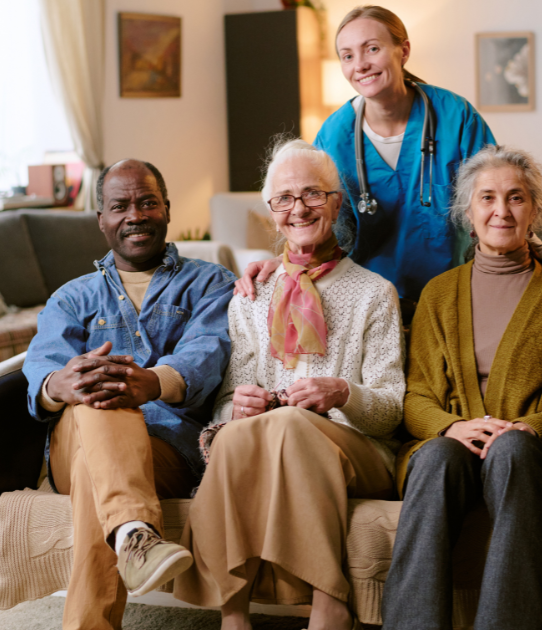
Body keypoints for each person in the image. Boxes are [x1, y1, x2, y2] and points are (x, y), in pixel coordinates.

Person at [173, 140, 404, 630]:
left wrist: (344, 393)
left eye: (313, 195)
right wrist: (238, 407)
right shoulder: (250, 296)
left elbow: (390, 411)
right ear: (270, 211)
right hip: (270, 442)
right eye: (284, 198)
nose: (298, 208)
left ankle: (328, 601)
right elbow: (224, 403)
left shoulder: (375, 293)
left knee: (293, 425)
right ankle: (234, 615)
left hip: (359, 450)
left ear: (337, 202)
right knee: (240, 433)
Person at [380, 146, 542, 630]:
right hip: (457, 444)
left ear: (535, 212)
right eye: (487, 198)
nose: (501, 211)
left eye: (516, 198)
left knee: (511, 452)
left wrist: (527, 427)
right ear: (468, 212)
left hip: (538, 451)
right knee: (435, 456)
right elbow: (416, 395)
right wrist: (452, 426)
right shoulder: (438, 295)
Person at [235, 5, 542, 305]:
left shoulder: (455, 116)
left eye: (372, 48)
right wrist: (281, 264)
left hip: (456, 295)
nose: (360, 64)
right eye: (347, 55)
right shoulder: (334, 134)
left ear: (403, 51)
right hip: (366, 301)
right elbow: (314, 218)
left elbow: (497, 203)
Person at [22, 159, 235, 630]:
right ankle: (137, 532)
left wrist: (151, 382)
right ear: (102, 220)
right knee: (98, 394)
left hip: (170, 452)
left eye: (147, 202)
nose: (134, 214)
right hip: (72, 442)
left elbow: (207, 353)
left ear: (166, 210)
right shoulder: (71, 297)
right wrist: (64, 383)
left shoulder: (210, 283)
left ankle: (126, 536)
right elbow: (41, 365)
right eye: (119, 206)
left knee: (104, 407)